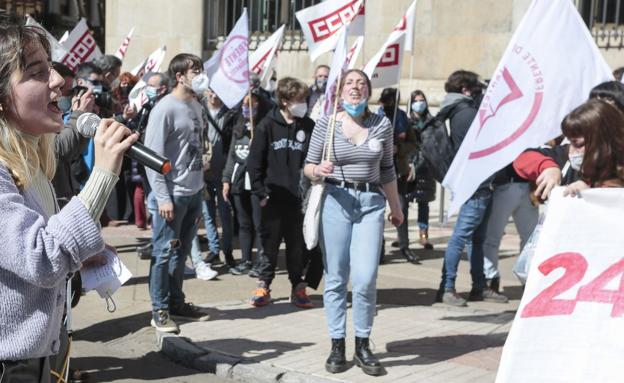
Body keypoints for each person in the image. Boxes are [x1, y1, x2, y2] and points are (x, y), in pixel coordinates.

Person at [0, 22, 137, 381]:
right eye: (37, 72)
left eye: (52, 68)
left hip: (42, 355)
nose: (59, 82)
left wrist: (84, 254)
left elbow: (36, 248)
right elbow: (41, 257)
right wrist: (103, 175)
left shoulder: (31, 163)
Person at [304, 69, 403, 376]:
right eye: (350, 83)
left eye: (362, 83)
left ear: (368, 91)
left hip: (371, 205)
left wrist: (396, 207)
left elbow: (387, 169)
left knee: (364, 278)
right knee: (336, 278)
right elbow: (307, 167)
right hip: (336, 201)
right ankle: (337, 345)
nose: (356, 87)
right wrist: (318, 169)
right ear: (340, 91)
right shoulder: (327, 124)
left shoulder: (381, 124)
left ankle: (363, 345)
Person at [144, 53, 210, 333]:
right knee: (162, 253)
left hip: (194, 191)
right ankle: (159, 308)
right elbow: (152, 157)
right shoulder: (165, 109)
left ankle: (176, 302)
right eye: (195, 70)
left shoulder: (196, 104)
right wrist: (163, 196)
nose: (200, 74)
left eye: (201, 69)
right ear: (180, 75)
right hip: (172, 195)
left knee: (180, 253)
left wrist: (202, 184)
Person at [435, 70, 507, 307]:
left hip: (479, 183)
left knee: (477, 238)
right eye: (476, 89)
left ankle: (479, 287)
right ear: (465, 89)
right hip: (476, 184)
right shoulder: (467, 113)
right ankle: (448, 288)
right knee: (461, 237)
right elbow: (480, 148)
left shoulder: (459, 110)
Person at [247, 77, 315, 309]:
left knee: (297, 247)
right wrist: (261, 193)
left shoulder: (308, 125)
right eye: (299, 100)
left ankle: (298, 287)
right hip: (272, 199)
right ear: (285, 101)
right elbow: (254, 163)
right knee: (269, 246)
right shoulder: (266, 125)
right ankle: (263, 285)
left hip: (298, 201)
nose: (304, 103)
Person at [222, 91, 271, 275]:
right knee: (244, 224)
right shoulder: (239, 127)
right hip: (239, 183)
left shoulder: (264, 128)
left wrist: (257, 146)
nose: (247, 108)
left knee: (259, 224)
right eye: (244, 104)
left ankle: (261, 262)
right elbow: (231, 158)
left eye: (251, 104)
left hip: (257, 184)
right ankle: (246, 260)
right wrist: (226, 180)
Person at [193, 88, 237, 270]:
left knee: (225, 212)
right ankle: (214, 249)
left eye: (217, 91)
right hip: (204, 169)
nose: (214, 95)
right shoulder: (198, 109)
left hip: (223, 169)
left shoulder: (230, 113)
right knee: (207, 212)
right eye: (210, 91)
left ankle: (227, 250)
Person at [377, 87, 419, 263]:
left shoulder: (402, 118)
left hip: (397, 170)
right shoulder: (375, 118)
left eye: (393, 100)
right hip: (378, 172)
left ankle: (404, 245)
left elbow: (413, 144)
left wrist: (399, 148)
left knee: (401, 207)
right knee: (377, 210)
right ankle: (378, 248)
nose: (390, 104)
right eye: (387, 100)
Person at [561, 99, 624, 194]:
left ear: (604, 142)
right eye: (570, 142)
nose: (571, 151)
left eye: (578, 144)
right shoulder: (590, 180)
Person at [406, 90, 436, 249]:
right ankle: (402, 235)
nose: (419, 103)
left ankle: (423, 235)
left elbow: (431, 145)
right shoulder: (406, 121)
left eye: (422, 100)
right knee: (404, 201)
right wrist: (409, 163)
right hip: (408, 166)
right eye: (416, 100)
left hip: (425, 168)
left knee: (424, 203)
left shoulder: (431, 121)